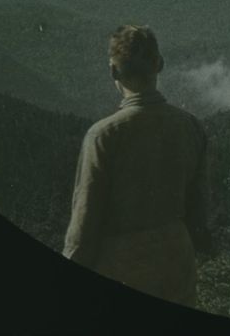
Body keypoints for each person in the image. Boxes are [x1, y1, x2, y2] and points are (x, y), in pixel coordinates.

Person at [63, 25, 211, 307]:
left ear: (113, 71)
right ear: (160, 65)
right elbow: (200, 210)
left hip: (122, 265)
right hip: (176, 262)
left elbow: (85, 219)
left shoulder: (104, 135)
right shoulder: (191, 126)